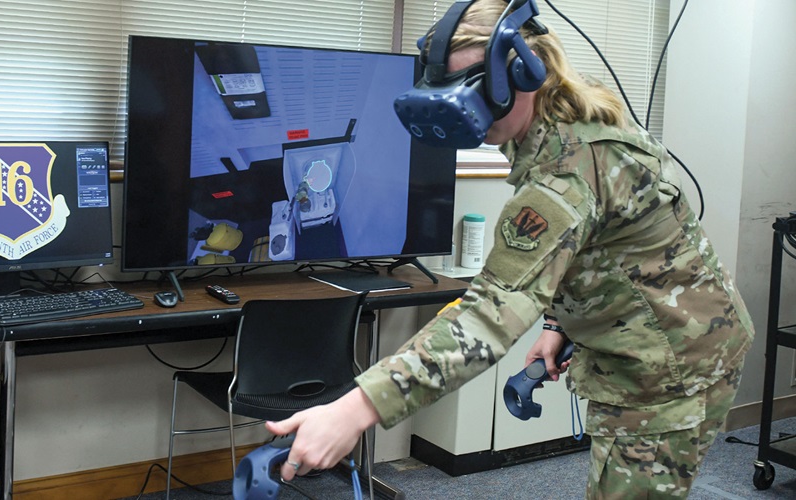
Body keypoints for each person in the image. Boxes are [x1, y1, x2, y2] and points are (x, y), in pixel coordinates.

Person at [265, 0, 754, 497]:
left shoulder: (563, 175)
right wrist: (558, 323)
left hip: (669, 372)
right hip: (666, 339)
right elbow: (603, 246)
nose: (462, 112)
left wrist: (355, 409)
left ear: (523, 71)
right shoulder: (567, 120)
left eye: (474, 91)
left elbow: (485, 319)